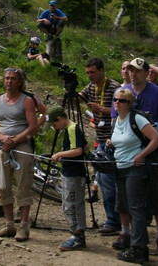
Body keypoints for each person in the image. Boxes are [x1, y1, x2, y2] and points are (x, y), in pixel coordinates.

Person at [117, 57, 158, 257]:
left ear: (146, 73)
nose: (133, 74)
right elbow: (117, 119)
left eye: (137, 70)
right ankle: (126, 232)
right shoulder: (124, 93)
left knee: (156, 191)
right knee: (123, 194)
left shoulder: (157, 92)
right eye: (131, 70)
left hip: (152, 148)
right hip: (127, 152)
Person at [109, 87, 158, 264]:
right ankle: (138, 242)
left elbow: (156, 138)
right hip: (120, 167)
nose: (117, 103)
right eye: (115, 100)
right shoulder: (116, 120)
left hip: (136, 169)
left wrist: (141, 155)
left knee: (136, 208)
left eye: (122, 100)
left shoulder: (136, 118)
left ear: (130, 104)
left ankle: (138, 248)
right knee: (127, 206)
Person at [0, 66, 38, 242]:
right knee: (2, 184)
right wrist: (1, 137)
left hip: (21, 146)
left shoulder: (27, 101)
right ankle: (9, 224)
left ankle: (23, 226)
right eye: (7, 78)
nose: (9, 81)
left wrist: (15, 140)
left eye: (13, 79)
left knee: (24, 183)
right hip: (1, 147)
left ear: (19, 82)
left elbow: (33, 125)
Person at [77, 57, 121, 236]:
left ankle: (114, 220)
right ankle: (113, 218)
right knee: (103, 181)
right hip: (100, 138)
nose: (90, 76)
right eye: (87, 73)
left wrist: (101, 109)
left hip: (113, 139)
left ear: (102, 70)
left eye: (93, 72)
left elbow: (121, 111)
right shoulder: (91, 87)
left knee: (109, 181)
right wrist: (72, 93)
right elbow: (79, 98)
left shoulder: (114, 87)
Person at [48, 105, 89, 251]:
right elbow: (85, 147)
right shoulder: (74, 128)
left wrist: (60, 154)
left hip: (72, 173)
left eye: (54, 124)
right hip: (74, 171)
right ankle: (78, 234)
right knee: (75, 203)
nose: (55, 127)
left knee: (69, 204)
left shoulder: (71, 129)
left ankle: (77, 235)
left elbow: (78, 150)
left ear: (59, 119)